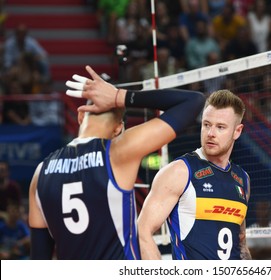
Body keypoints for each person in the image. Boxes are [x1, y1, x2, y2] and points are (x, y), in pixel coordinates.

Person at [28, 65, 205, 260]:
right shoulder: (118, 152)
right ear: (118, 128)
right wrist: (120, 96)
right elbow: (194, 101)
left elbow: (39, 260)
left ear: (80, 115)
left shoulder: (40, 173)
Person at [137, 89, 251, 260]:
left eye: (220, 127)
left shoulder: (243, 179)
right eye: (206, 124)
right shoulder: (179, 172)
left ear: (237, 131)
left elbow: (241, 243)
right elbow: (142, 231)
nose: (210, 133)